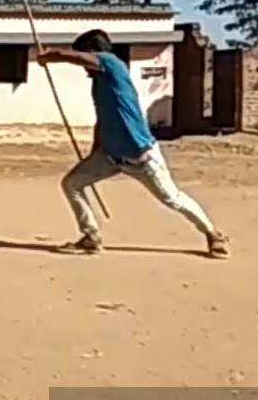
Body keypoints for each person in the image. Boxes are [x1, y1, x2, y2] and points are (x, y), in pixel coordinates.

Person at [36, 29, 230, 259]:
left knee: (173, 199)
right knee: (72, 183)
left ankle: (214, 236)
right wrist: (94, 153)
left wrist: (52, 55)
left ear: (93, 52)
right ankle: (91, 236)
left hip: (143, 156)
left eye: (86, 61)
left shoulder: (112, 64)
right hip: (111, 156)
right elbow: (104, 119)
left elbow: (78, 59)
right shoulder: (100, 83)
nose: (85, 70)